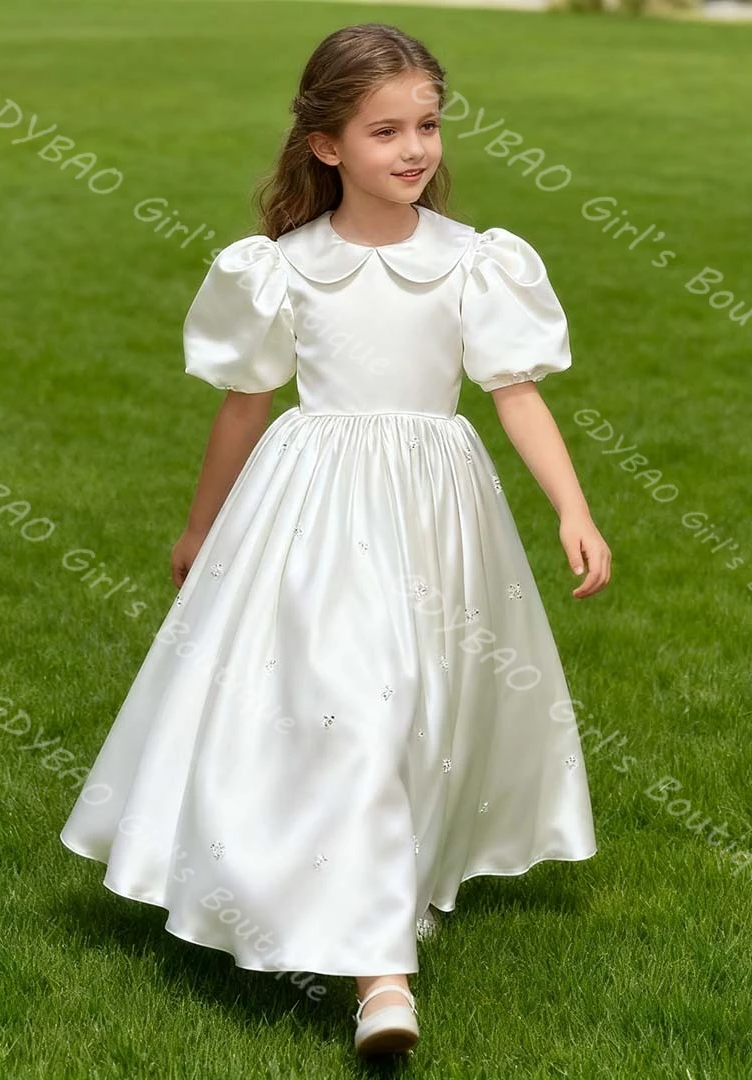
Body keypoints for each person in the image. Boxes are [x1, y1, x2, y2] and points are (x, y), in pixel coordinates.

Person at [60, 21, 611, 1059]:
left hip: (437, 518)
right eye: (385, 131)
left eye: (429, 126)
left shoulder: (473, 263)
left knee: (416, 705)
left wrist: (571, 509)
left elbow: (516, 394)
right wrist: (200, 524)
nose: (415, 150)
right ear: (326, 146)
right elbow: (243, 405)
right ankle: (381, 980)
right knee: (351, 708)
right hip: (312, 516)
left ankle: (382, 892)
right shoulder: (283, 270)